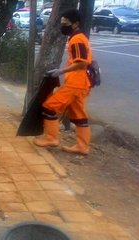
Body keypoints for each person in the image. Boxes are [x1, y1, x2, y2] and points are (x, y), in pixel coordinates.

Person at [33, 9, 92, 155]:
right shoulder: (78, 37)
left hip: (75, 83)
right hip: (80, 83)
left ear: (75, 23)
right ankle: (82, 147)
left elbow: (82, 63)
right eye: (62, 23)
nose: (63, 26)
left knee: (49, 107)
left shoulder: (77, 39)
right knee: (79, 115)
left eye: (65, 23)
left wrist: (61, 71)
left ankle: (51, 138)